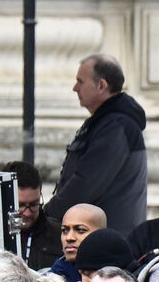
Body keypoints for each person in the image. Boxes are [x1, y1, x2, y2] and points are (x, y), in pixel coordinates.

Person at [47, 54, 149, 237]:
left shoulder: (116, 127)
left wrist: (46, 218)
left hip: (108, 244)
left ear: (101, 85)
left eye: (80, 82)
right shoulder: (107, 123)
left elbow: (86, 184)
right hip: (98, 237)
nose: (75, 88)